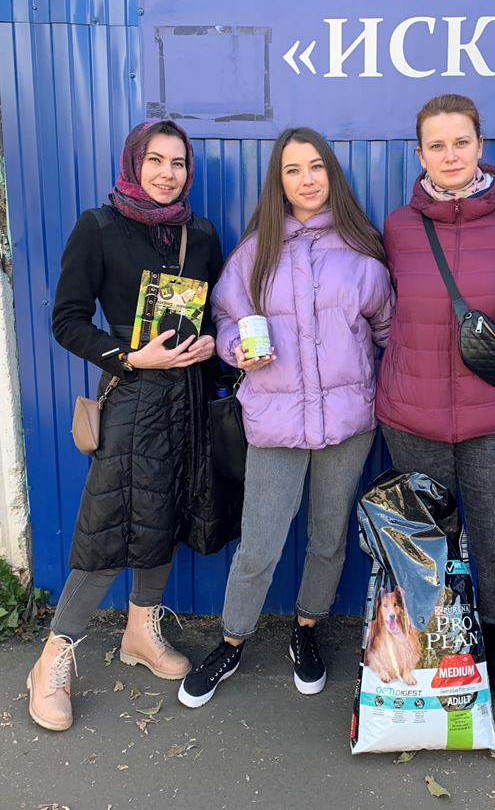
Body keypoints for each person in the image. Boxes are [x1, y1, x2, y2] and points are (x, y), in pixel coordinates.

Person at [178, 127, 394, 706]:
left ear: (332, 174)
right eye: (293, 169)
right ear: (279, 181)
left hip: (347, 422)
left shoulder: (362, 250)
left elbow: (386, 330)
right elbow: (225, 320)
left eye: (316, 166)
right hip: (274, 421)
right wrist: (235, 349)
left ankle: (306, 629)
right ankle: (231, 641)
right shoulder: (255, 251)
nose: (307, 179)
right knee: (260, 544)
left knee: (328, 537)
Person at [29, 120, 225, 731]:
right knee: (110, 524)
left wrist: (211, 345)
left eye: (179, 163)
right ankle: (52, 658)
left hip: (186, 397)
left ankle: (141, 631)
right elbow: (66, 320)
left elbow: (213, 312)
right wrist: (131, 357)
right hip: (132, 398)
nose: (168, 173)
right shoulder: (99, 226)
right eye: (156, 160)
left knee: (164, 512)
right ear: (134, 163)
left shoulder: (200, 233)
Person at [375, 94, 495, 714]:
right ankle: (437, 656)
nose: (450, 155)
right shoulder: (397, 227)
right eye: (437, 145)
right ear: (420, 154)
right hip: (412, 415)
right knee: (426, 548)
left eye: (461, 142)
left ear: (480, 146)